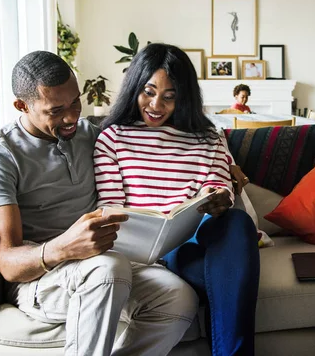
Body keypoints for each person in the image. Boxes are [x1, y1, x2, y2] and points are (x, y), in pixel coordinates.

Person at [0, 51, 199, 356]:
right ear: (22, 106)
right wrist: (65, 246)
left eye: (75, 102)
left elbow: (158, 140)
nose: (71, 117)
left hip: (107, 266)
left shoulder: (90, 135)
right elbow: (8, 264)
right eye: (55, 110)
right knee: (109, 266)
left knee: (179, 296)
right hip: (43, 279)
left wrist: (230, 163)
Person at [95, 43, 260, 356]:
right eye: (148, 91)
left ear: (184, 96)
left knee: (237, 222)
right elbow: (111, 208)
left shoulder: (208, 136)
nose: (157, 104)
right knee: (229, 281)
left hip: (194, 241)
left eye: (170, 96)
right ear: (134, 87)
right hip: (146, 250)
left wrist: (220, 196)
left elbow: (217, 181)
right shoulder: (113, 137)